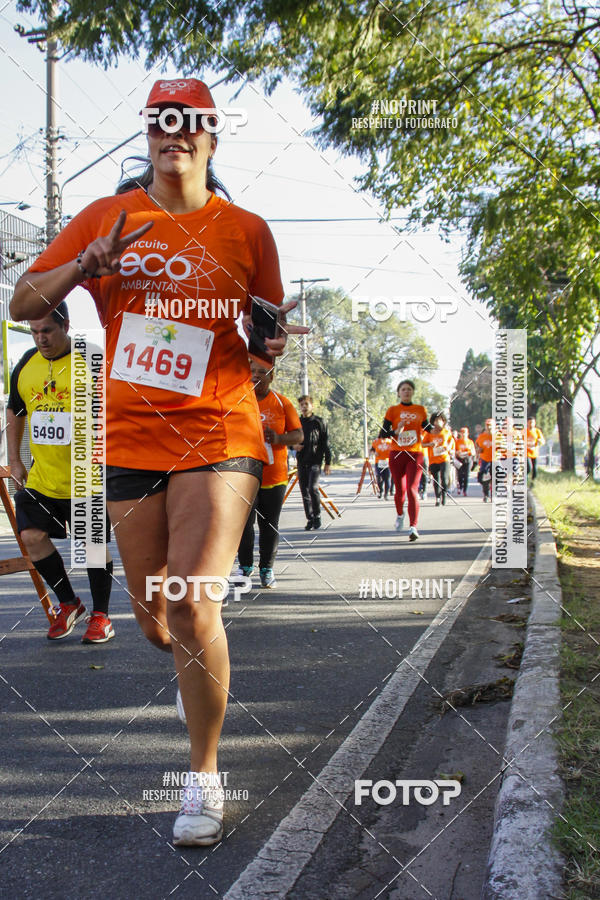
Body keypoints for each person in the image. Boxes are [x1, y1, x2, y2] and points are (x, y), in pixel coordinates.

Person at [10, 77, 305, 847]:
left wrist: (270, 343)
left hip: (220, 429)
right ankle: (192, 675)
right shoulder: (106, 216)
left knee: (190, 603)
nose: (174, 132)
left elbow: (266, 326)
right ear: (148, 133)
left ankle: (202, 779)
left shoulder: (247, 229)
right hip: (132, 437)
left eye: (189, 121)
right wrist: (84, 267)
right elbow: (21, 301)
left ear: (210, 135)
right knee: (151, 623)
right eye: (160, 121)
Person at [6, 302, 114, 643]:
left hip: (88, 475)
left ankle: (101, 616)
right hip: (43, 477)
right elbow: (15, 410)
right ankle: (68, 603)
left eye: (47, 331)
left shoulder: (92, 358)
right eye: (35, 332)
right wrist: (15, 459)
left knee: (91, 547)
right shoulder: (26, 363)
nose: (41, 338)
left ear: (66, 325)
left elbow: (123, 405)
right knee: (31, 536)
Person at [237, 359, 302, 587]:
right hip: (244, 475)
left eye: (262, 372)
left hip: (274, 476)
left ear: (271, 376)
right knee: (244, 524)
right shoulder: (239, 401)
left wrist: (278, 438)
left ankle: (267, 569)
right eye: (252, 371)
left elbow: (298, 436)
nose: (256, 375)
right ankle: (245, 568)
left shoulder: (282, 403)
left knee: (269, 524)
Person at [379, 379, 428, 541]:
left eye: (409, 389)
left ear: (413, 392)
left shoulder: (420, 410)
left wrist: (437, 427)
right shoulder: (392, 410)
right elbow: (382, 434)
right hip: (397, 454)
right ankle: (400, 514)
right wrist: (395, 431)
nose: (406, 392)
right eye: (403, 389)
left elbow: (428, 428)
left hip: (415, 454)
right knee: (400, 490)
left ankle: (413, 526)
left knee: (412, 490)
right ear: (399, 393)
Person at [296, 395, 332, 530]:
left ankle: (317, 516)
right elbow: (288, 439)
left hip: (315, 462)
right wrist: (294, 446)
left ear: (312, 406)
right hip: (301, 461)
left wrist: (328, 462)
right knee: (304, 492)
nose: (304, 407)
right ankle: (310, 518)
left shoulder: (319, 422)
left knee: (313, 488)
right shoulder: (297, 422)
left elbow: (326, 443)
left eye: (306, 404)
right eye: (301, 405)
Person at [422, 412, 454, 506]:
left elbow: (451, 440)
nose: (437, 422)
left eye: (439, 420)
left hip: (444, 459)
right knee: (436, 480)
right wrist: (430, 444)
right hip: (433, 459)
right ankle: (438, 498)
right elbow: (422, 444)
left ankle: (444, 494)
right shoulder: (429, 433)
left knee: (444, 478)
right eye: (435, 420)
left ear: (443, 421)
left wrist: (448, 447)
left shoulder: (446, 432)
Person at [475, 418, 496, 501]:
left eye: (491, 425)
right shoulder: (482, 436)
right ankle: (486, 494)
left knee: (496, 478)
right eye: (487, 425)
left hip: (495, 460)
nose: (489, 427)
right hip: (485, 460)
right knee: (483, 477)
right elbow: (477, 445)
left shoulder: (498, 436)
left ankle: (494, 495)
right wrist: (478, 450)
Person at [454, 427, 476, 496]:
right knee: (460, 475)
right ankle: (460, 487)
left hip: (468, 459)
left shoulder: (470, 442)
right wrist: (458, 453)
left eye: (465, 433)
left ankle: (465, 490)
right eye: (462, 432)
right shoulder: (458, 442)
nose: (463, 434)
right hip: (460, 459)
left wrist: (469, 452)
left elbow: (473, 452)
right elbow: (455, 451)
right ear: (460, 433)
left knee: (466, 475)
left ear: (467, 433)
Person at [526, 417, 545, 481]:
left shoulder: (537, 431)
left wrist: (540, 441)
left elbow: (543, 441)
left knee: (535, 468)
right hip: (526, 453)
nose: (531, 424)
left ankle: (533, 481)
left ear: (535, 423)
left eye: (532, 422)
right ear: (527, 423)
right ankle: (524, 480)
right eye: (530, 422)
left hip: (534, 452)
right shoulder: (524, 431)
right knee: (528, 467)